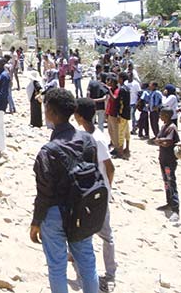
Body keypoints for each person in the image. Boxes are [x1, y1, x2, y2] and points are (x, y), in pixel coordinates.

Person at [30, 88, 99, 293]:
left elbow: (44, 193)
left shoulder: (48, 151)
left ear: (50, 113)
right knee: (87, 263)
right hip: (83, 210)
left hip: (54, 214)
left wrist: (35, 222)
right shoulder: (88, 140)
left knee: (57, 267)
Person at [74, 98, 116, 291]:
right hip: (90, 191)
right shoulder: (85, 135)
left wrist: (107, 188)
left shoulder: (97, 139)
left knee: (106, 235)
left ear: (80, 116)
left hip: (99, 193)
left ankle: (110, 273)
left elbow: (110, 167)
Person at [153, 108, 180, 222]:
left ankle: (175, 208)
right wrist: (160, 141)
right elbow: (159, 140)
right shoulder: (165, 126)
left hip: (169, 159)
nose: (160, 116)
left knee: (171, 181)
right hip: (163, 158)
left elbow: (168, 142)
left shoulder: (172, 127)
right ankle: (169, 202)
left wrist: (160, 140)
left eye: (162, 114)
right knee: (166, 182)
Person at [117, 73, 132, 159]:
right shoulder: (127, 88)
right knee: (127, 131)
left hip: (123, 113)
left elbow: (121, 103)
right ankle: (127, 148)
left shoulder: (122, 89)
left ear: (121, 79)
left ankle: (121, 151)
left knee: (121, 132)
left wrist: (119, 114)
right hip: (127, 113)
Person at [105, 75, 120, 156]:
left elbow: (114, 99)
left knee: (115, 132)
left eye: (110, 82)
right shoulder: (111, 90)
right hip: (110, 113)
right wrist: (106, 113)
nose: (109, 83)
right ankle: (114, 146)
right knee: (110, 131)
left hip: (114, 114)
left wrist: (108, 90)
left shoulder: (117, 90)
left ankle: (117, 148)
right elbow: (109, 102)